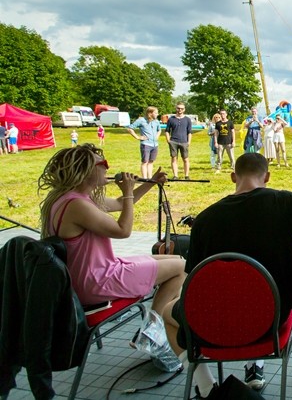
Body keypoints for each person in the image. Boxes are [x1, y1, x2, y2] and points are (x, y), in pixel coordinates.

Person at [162, 152, 292, 395]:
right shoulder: (285, 202)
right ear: (267, 176)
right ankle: (255, 365)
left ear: (233, 176)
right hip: (271, 323)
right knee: (257, 301)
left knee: (165, 311)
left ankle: (206, 388)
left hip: (212, 324)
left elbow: (192, 280)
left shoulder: (204, 219)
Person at [37, 144, 186, 358]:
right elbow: (123, 231)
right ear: (86, 169)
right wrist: (126, 192)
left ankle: (153, 325)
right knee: (181, 267)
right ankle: (152, 327)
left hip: (90, 274)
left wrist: (150, 183)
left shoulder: (72, 198)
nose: (107, 168)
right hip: (97, 281)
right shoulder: (77, 205)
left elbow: (118, 203)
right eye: (103, 164)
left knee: (175, 258)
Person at [127, 106, 161, 179]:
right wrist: (138, 137)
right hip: (146, 144)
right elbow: (130, 128)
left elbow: (159, 130)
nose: (157, 114)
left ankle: (150, 178)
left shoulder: (156, 121)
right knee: (145, 162)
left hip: (155, 145)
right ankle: (144, 179)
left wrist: (156, 137)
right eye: (156, 113)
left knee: (151, 161)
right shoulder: (141, 120)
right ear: (150, 113)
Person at [165, 102, 193, 180]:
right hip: (173, 141)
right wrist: (168, 140)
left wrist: (189, 142)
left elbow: (189, 132)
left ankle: (186, 175)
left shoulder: (187, 119)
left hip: (184, 141)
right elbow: (167, 130)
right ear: (176, 108)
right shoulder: (171, 119)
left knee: (185, 159)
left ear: (184, 109)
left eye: (182, 108)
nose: (180, 110)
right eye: (178, 108)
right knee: (174, 158)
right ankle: (175, 175)